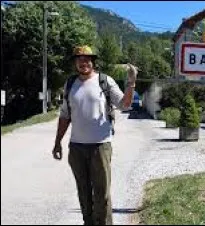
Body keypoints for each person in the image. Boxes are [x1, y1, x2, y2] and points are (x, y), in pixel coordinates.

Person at [52, 45, 137, 225]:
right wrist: (58, 142)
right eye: (80, 59)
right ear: (75, 63)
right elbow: (65, 116)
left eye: (87, 59)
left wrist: (131, 83)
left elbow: (125, 104)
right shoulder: (70, 84)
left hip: (100, 146)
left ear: (93, 62)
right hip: (76, 148)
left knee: (102, 194)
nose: (84, 62)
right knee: (83, 193)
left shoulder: (105, 81)